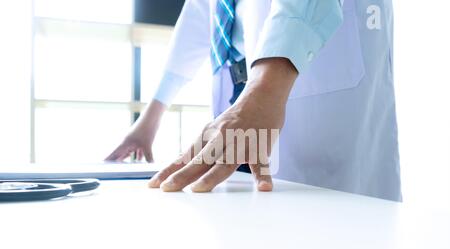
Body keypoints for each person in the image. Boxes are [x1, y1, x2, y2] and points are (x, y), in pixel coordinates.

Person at [107, 0, 402, 202]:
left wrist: (265, 87)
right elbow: (201, 13)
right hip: (240, 90)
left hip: (295, 83)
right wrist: (152, 115)